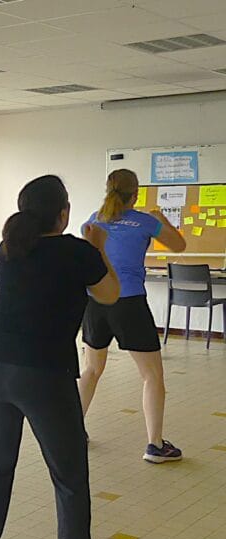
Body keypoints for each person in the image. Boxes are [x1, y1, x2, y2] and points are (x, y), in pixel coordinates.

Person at [0, 175, 120, 539]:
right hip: (43, 372)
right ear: (63, 214)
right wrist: (99, 247)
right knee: (69, 477)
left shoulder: (8, 248)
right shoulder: (77, 252)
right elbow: (110, 294)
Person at [78, 169, 187, 463]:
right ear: (135, 194)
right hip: (128, 303)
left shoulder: (94, 219)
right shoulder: (145, 221)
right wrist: (162, 219)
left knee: (91, 370)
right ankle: (155, 445)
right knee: (152, 376)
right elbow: (179, 246)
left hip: (95, 302)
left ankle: (73, 431)